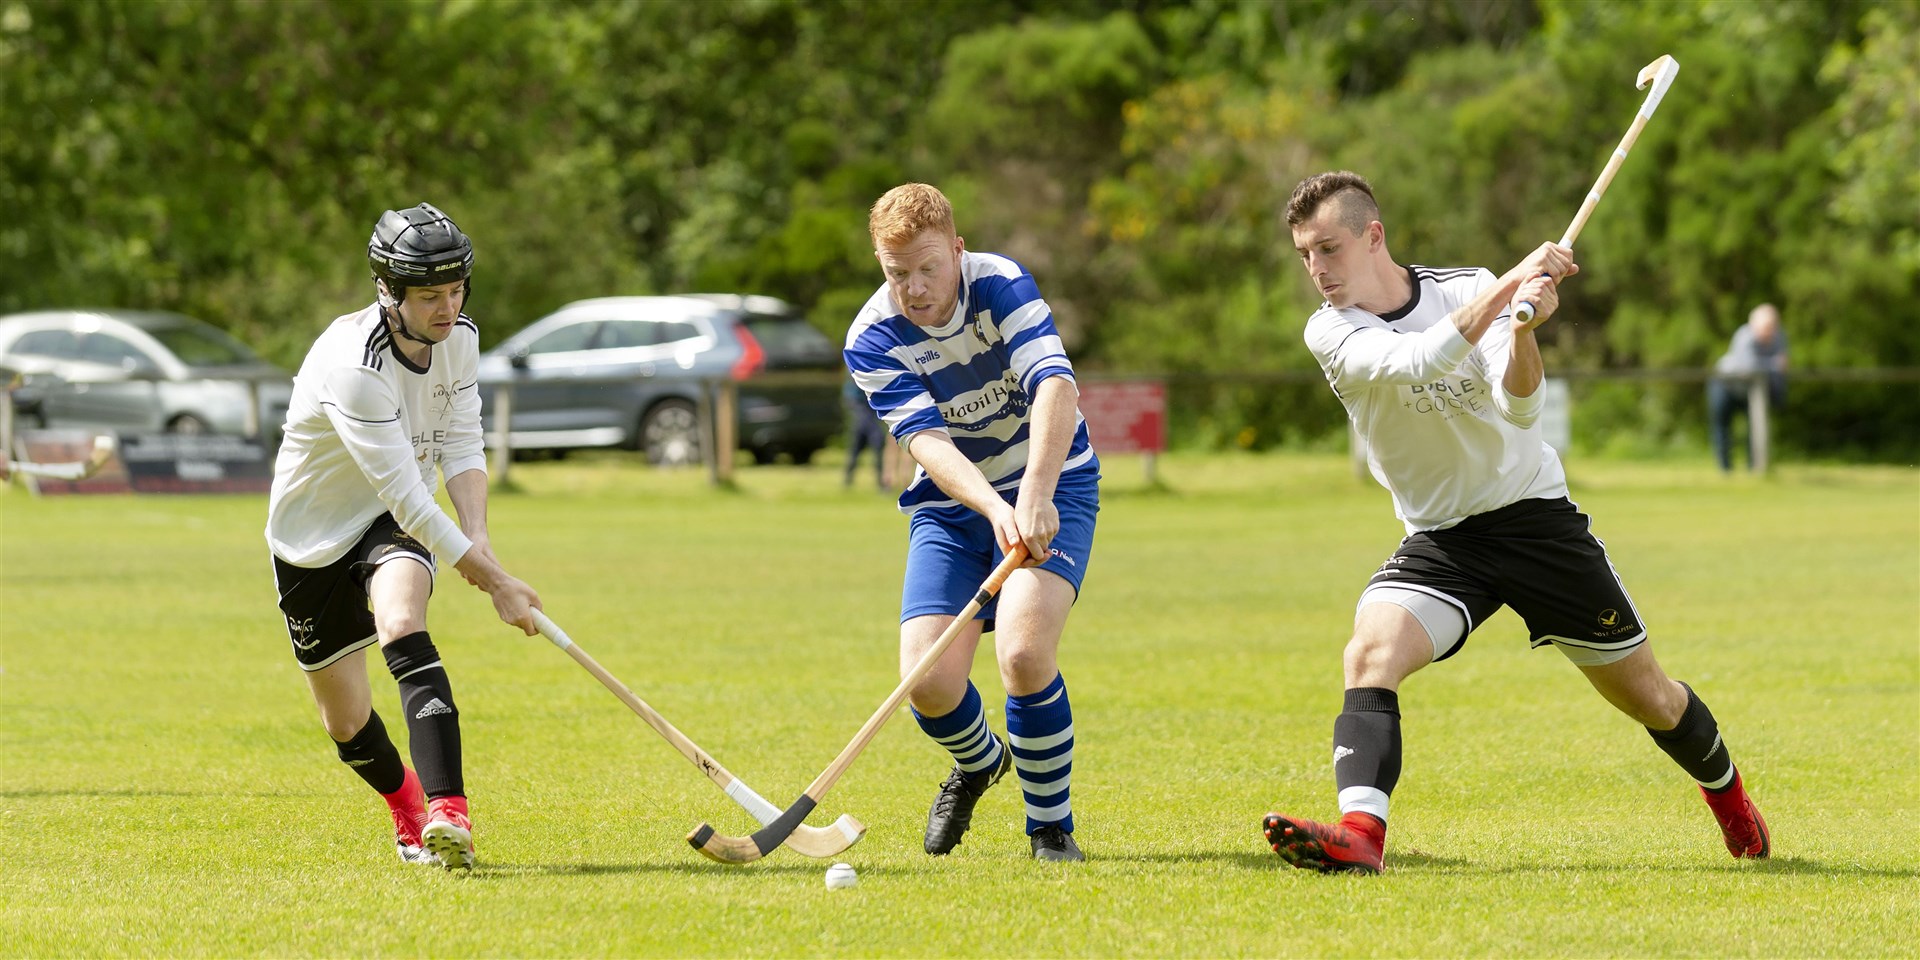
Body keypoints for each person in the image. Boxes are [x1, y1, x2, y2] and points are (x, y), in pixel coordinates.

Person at [1262, 171, 1769, 874]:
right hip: (1443, 540)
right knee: (1369, 655)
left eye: (1329, 248)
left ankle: (1731, 800)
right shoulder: (1332, 329)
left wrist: (1523, 324)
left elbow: (1521, 410)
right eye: (1305, 255)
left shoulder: (1465, 286)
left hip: (1537, 524)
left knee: (1650, 697)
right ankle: (1362, 837)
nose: (1317, 269)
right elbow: (1414, 361)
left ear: (1372, 236)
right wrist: (1513, 286)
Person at [265, 202, 541, 871]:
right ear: (387, 292)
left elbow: (461, 436)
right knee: (347, 723)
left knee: (399, 619)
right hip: (313, 536)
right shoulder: (353, 366)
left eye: (456, 291)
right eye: (429, 297)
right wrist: (496, 583)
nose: (447, 309)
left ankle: (451, 812)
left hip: (389, 525)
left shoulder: (462, 339)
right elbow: (411, 499)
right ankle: (407, 805)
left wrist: (479, 538)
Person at [844, 183, 1100, 862]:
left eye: (930, 268)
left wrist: (1035, 495)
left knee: (1022, 652)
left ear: (957, 250)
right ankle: (981, 761)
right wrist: (993, 508)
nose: (916, 288)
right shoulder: (870, 338)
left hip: (1055, 482)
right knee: (927, 683)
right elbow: (926, 442)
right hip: (955, 505)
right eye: (898, 274)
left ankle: (1050, 829)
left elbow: (1055, 384)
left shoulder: (1001, 285)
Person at [1707, 304, 1789, 472]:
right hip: (1725, 384)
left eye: (1772, 327)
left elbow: (1782, 368)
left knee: (1755, 427)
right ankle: (1725, 469)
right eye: (1765, 328)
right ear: (1754, 325)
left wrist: (1780, 395)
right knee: (1722, 426)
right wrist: (1773, 364)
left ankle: (1755, 468)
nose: (1768, 332)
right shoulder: (1744, 336)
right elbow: (1749, 366)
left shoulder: (1780, 338)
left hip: (1751, 391)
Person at [842, 372, 888, 490]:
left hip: (868, 415)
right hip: (862, 416)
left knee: (868, 449)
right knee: (857, 450)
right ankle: (848, 481)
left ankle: (880, 483)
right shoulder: (855, 375)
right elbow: (850, 399)